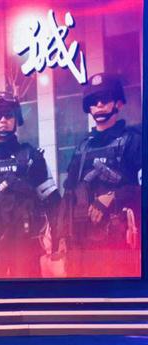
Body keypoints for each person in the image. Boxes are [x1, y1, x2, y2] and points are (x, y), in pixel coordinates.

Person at [59, 73, 141, 277]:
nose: (99, 105)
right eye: (94, 101)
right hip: (81, 247)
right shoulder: (82, 147)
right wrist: (61, 235)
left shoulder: (134, 142)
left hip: (119, 247)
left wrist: (114, 197)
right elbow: (68, 194)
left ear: (118, 103)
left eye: (105, 99)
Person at [0, 91, 60, 278]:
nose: (3, 120)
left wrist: (58, 240)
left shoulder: (32, 157)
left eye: (8, 115)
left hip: (26, 246)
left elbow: (53, 201)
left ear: (16, 119)